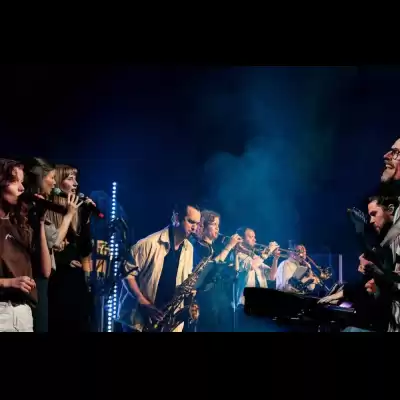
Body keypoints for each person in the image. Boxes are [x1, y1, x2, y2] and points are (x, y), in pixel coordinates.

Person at [118, 203, 201, 332]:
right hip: (139, 322)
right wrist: (144, 302)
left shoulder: (189, 248)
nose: (194, 228)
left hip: (167, 323)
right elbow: (126, 273)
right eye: (191, 222)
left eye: (197, 223)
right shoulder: (149, 243)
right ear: (177, 218)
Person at [0, 158, 52, 332]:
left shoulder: (20, 224)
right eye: (15, 181)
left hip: (23, 314)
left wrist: (40, 222)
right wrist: (9, 283)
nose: (22, 188)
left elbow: (45, 270)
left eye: (22, 182)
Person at [46, 164, 95, 332]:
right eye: (70, 179)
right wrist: (65, 261)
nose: (76, 184)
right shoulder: (47, 210)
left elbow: (85, 250)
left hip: (74, 283)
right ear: (58, 182)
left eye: (76, 179)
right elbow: (49, 247)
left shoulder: (76, 213)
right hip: (55, 283)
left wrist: (86, 218)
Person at [191, 209, 242, 331]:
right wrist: (229, 246)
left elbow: (235, 272)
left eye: (218, 225)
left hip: (218, 298)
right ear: (203, 226)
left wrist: (236, 253)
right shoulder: (199, 246)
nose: (217, 228)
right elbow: (211, 266)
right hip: (206, 299)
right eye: (214, 224)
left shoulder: (214, 249)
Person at [234, 227, 280, 307]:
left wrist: (275, 259)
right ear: (241, 239)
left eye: (254, 237)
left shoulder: (256, 258)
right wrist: (267, 251)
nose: (255, 240)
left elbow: (272, 276)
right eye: (251, 237)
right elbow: (251, 266)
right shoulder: (237, 256)